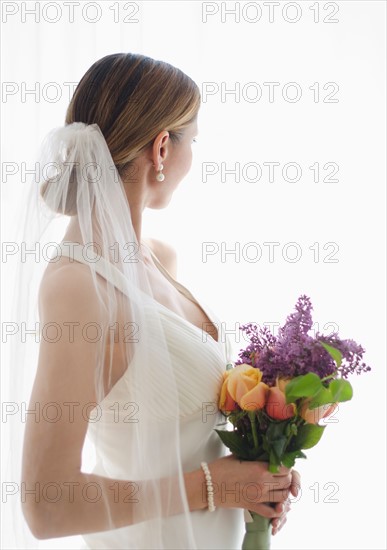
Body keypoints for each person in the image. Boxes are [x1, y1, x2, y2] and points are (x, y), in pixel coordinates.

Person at [10, 53, 300, 549]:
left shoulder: (158, 257)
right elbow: (46, 505)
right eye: (195, 141)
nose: (194, 158)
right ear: (162, 147)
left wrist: (260, 476)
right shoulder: (78, 287)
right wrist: (217, 486)